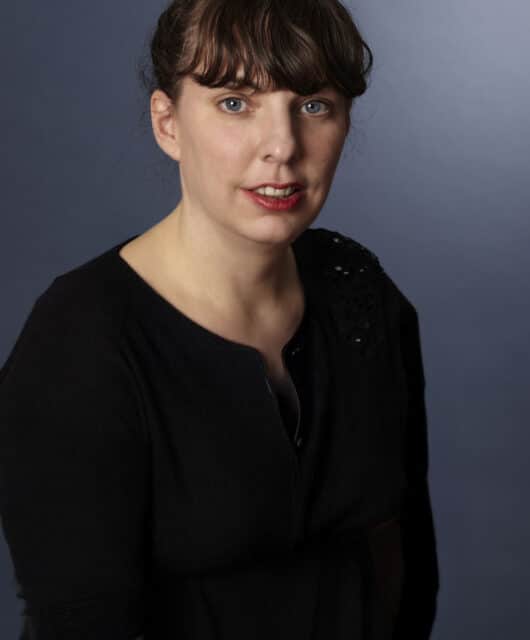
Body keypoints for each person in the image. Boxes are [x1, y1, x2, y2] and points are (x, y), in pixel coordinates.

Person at [0, 0, 439, 638]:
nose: (282, 147)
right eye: (236, 102)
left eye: (314, 105)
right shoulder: (81, 343)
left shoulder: (359, 289)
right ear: (168, 123)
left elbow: (406, 558)